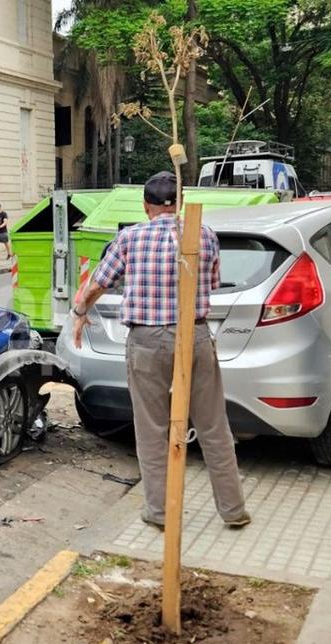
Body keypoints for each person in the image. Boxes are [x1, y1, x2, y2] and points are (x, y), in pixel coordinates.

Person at [71, 172, 251, 530]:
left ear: (145, 206)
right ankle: (233, 510)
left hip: (147, 342)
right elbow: (212, 282)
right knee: (214, 425)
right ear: (180, 203)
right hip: (196, 338)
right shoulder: (204, 234)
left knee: (151, 428)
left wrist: (79, 313)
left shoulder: (130, 237)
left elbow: (98, 284)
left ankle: (159, 512)